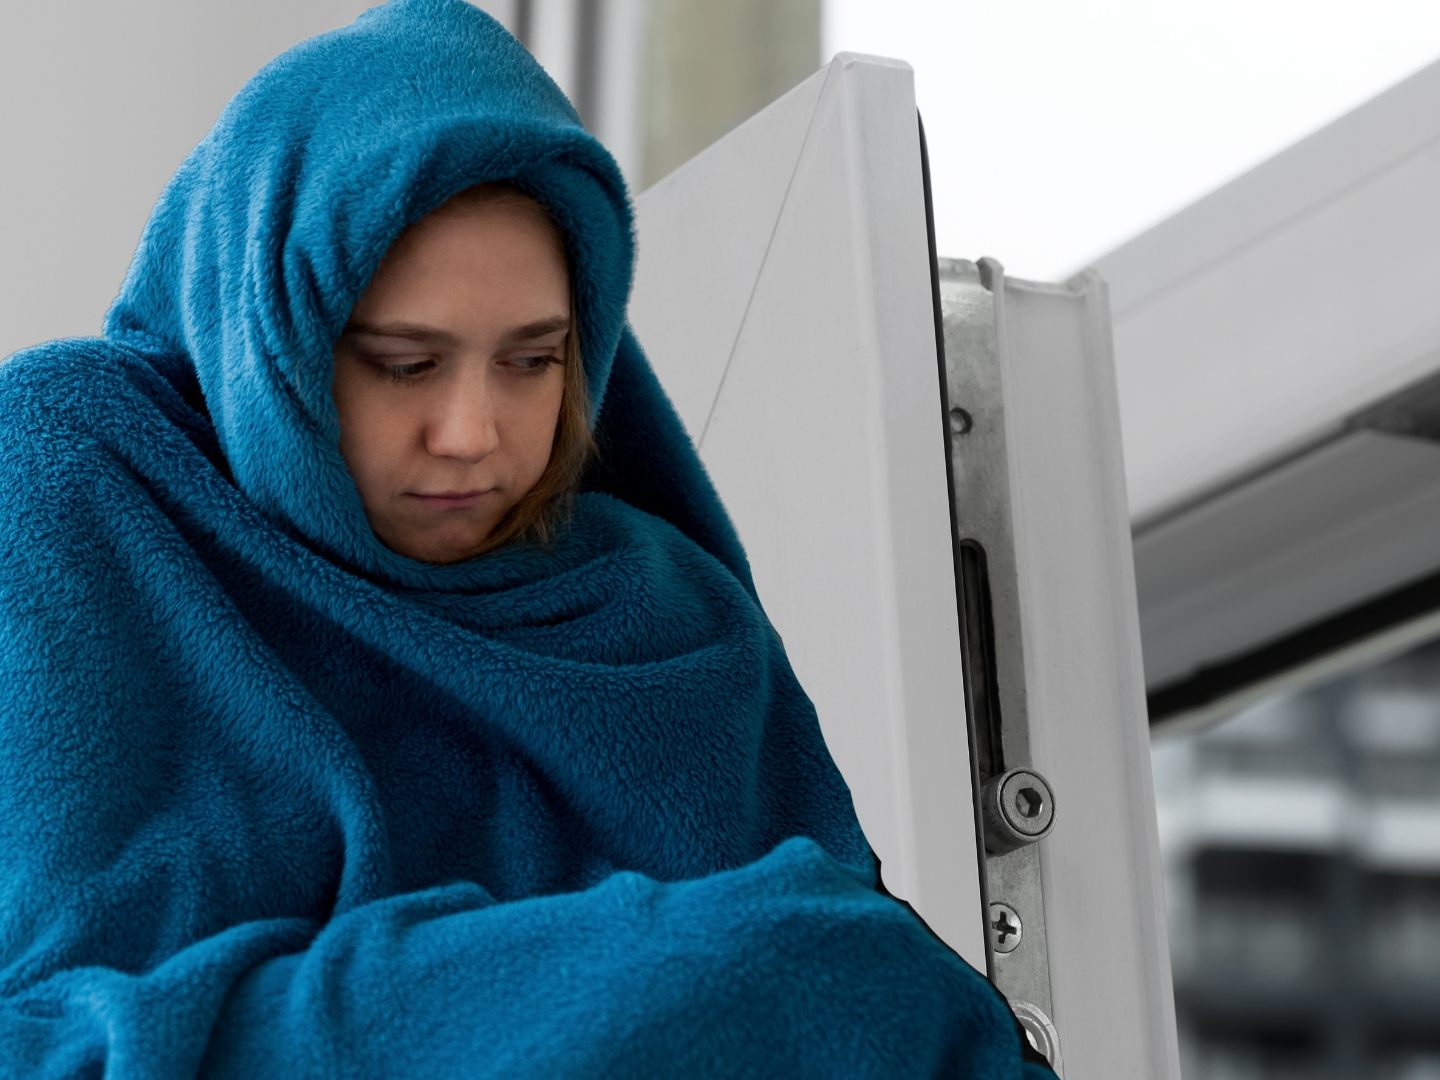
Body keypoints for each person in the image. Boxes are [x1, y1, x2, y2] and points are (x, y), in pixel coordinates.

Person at [0, 1, 1056, 1076]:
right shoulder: (86, 470)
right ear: (275, 333)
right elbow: (50, 1039)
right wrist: (661, 974)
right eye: (403, 363)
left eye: (533, 361)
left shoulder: (663, 619)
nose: (471, 437)